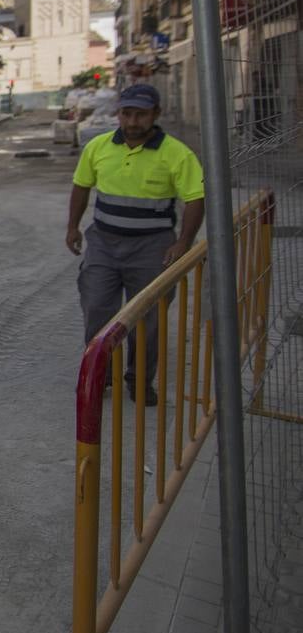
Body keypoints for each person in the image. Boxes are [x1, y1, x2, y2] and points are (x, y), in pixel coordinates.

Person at [66, 83, 205, 405]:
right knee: (97, 309)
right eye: (127, 113)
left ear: (155, 115)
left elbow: (195, 199)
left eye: (140, 114)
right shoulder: (99, 147)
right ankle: (104, 375)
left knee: (148, 320)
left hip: (153, 247)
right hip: (103, 242)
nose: (132, 121)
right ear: (119, 114)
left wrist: (183, 242)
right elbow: (81, 186)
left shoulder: (178, 154)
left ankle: (140, 380)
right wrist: (73, 227)